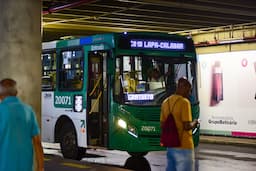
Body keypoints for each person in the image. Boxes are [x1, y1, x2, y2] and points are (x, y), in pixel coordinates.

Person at [0, 78, 44, 171]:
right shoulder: (29, 110)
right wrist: (40, 167)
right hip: (26, 166)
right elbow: (37, 142)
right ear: (16, 93)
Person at [160, 77, 199, 171]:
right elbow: (186, 126)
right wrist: (195, 122)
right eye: (188, 90)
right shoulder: (184, 102)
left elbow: (162, 125)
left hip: (171, 146)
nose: (188, 93)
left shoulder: (165, 102)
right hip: (184, 146)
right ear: (182, 87)